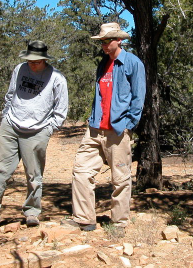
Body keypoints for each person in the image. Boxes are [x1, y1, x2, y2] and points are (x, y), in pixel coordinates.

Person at [62, 23, 146, 235]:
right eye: (102, 41)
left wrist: (128, 125)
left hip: (117, 130)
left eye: (107, 40)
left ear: (119, 40)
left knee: (120, 178)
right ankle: (84, 219)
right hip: (95, 128)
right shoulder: (102, 64)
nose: (104, 45)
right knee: (81, 170)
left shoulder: (132, 63)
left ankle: (119, 223)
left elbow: (139, 98)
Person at [0, 40, 68, 228]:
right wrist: (5, 117)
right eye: (30, 60)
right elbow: (10, 95)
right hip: (10, 126)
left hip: (37, 131)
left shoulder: (57, 78)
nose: (32, 64)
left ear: (44, 59)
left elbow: (61, 109)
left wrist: (48, 129)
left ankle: (32, 212)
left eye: (36, 61)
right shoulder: (19, 69)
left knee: (34, 175)